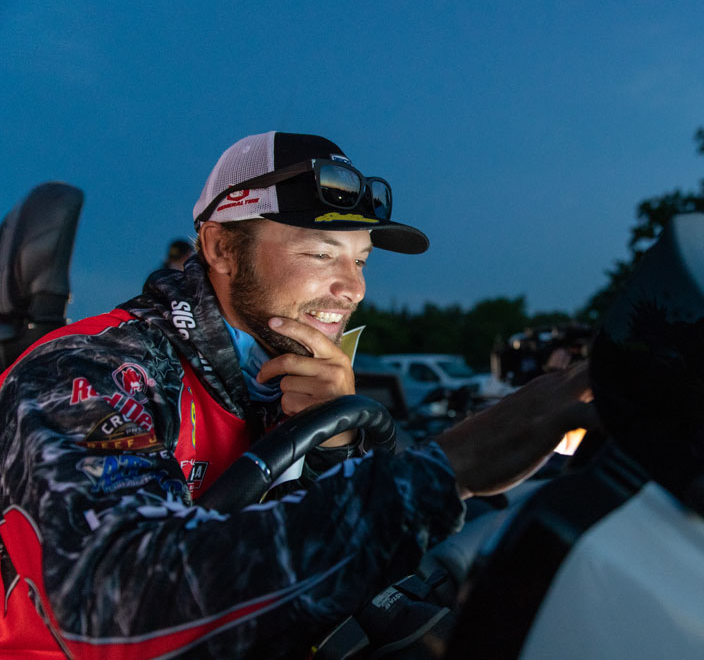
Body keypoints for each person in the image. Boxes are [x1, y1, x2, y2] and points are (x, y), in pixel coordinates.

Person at [0, 132, 596, 658]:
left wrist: (334, 443)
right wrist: (451, 467)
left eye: (361, 260)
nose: (353, 289)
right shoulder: (91, 369)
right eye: (320, 253)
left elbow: (329, 572)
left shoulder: (287, 374)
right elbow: (119, 608)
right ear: (220, 250)